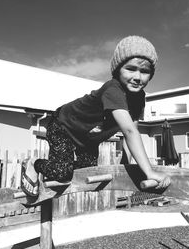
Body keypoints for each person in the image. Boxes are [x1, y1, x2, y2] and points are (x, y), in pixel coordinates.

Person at [21, 35, 171, 197]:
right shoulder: (113, 89)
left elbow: (131, 134)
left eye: (144, 71)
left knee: (86, 172)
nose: (137, 77)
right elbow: (129, 132)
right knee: (61, 173)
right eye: (131, 69)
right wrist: (149, 172)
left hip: (88, 139)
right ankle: (33, 164)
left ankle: (59, 167)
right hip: (63, 126)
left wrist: (127, 165)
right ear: (117, 69)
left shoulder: (139, 98)